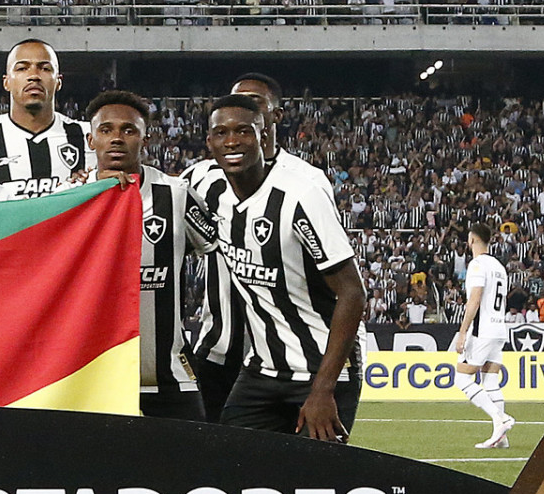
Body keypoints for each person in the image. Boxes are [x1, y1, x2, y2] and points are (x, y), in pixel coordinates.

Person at [200, 95, 365, 441]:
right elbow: (152, 191)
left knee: (317, 487)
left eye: (243, 131)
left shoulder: (299, 195)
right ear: (209, 141)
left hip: (318, 372)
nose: (231, 141)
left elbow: (352, 292)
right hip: (260, 372)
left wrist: (322, 390)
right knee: (230, 474)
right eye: (221, 133)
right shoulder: (208, 190)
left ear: (264, 137)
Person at [184, 71, 334, 422]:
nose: (240, 113)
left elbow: (335, 278)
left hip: (288, 357)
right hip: (217, 348)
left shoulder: (307, 182)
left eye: (254, 105)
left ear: (274, 117)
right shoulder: (200, 178)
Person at [85, 90, 202, 421]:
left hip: (166, 380)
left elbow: (219, 252)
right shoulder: (69, 200)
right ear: (90, 139)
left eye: (128, 130)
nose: (117, 139)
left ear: (145, 138)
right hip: (93, 380)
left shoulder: (176, 196)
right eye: (106, 130)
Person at [0, 39, 91, 198]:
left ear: (58, 81)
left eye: (45, 68)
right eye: (22, 68)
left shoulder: (90, 138)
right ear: (6, 82)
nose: (34, 76)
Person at [448, 223, 515, 449]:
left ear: (472, 240)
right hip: (499, 329)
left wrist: (463, 331)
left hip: (482, 330)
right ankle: (501, 437)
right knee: (490, 380)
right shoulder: (499, 266)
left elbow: (474, 299)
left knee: (462, 379)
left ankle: (500, 418)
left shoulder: (477, 265)